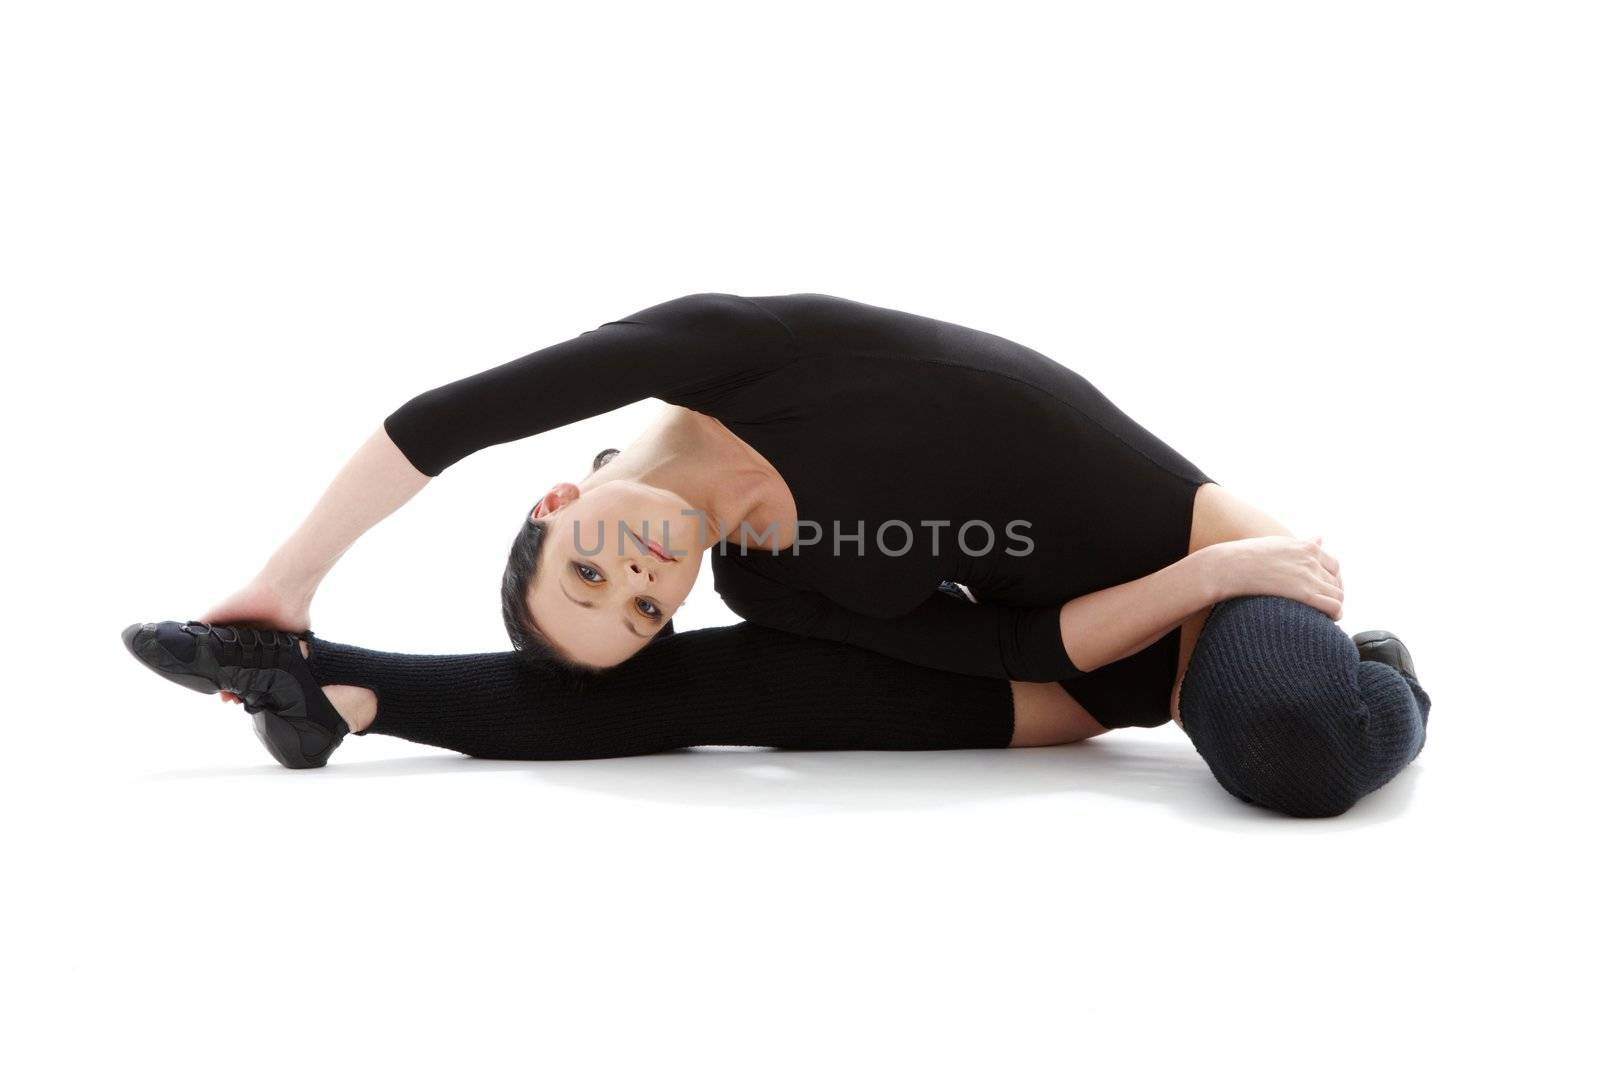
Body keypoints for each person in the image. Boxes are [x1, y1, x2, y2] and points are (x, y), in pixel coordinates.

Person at [122, 292, 1431, 817]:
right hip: (1069, 680)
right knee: (707, 699)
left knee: (1294, 749)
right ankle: (336, 690)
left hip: (1217, 572)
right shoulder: (761, 577)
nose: (642, 576)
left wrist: (286, 574)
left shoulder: (731, 353)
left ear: (556, 499)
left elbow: (442, 422)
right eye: (644, 603)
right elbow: (1020, 644)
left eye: (594, 569)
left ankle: (1384, 669)